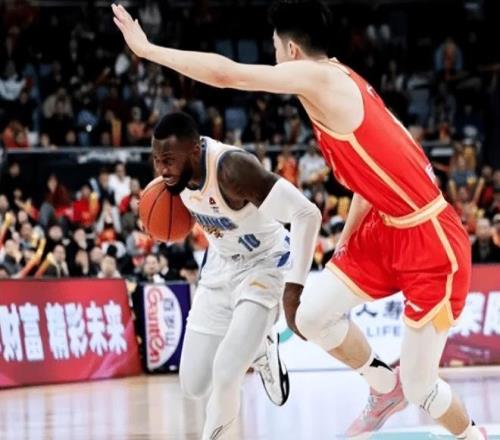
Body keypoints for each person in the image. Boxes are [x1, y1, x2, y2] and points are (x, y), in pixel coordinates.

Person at [112, 1, 487, 439]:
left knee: (422, 386)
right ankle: (384, 386)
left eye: (274, 48)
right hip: (385, 227)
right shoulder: (338, 84)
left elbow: (228, 74)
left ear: (291, 50)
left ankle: (471, 435)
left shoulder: (320, 77)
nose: (274, 58)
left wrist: (149, 50)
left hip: (429, 239)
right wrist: (347, 244)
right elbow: (372, 177)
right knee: (310, 316)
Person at [150, 112, 321, 439]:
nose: (162, 170)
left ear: (195, 150)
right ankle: (261, 347)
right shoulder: (171, 180)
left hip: (264, 261)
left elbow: (306, 213)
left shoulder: (232, 170)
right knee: (194, 385)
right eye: (157, 160)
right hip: (220, 262)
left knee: (226, 371)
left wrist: (293, 291)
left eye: (168, 160)